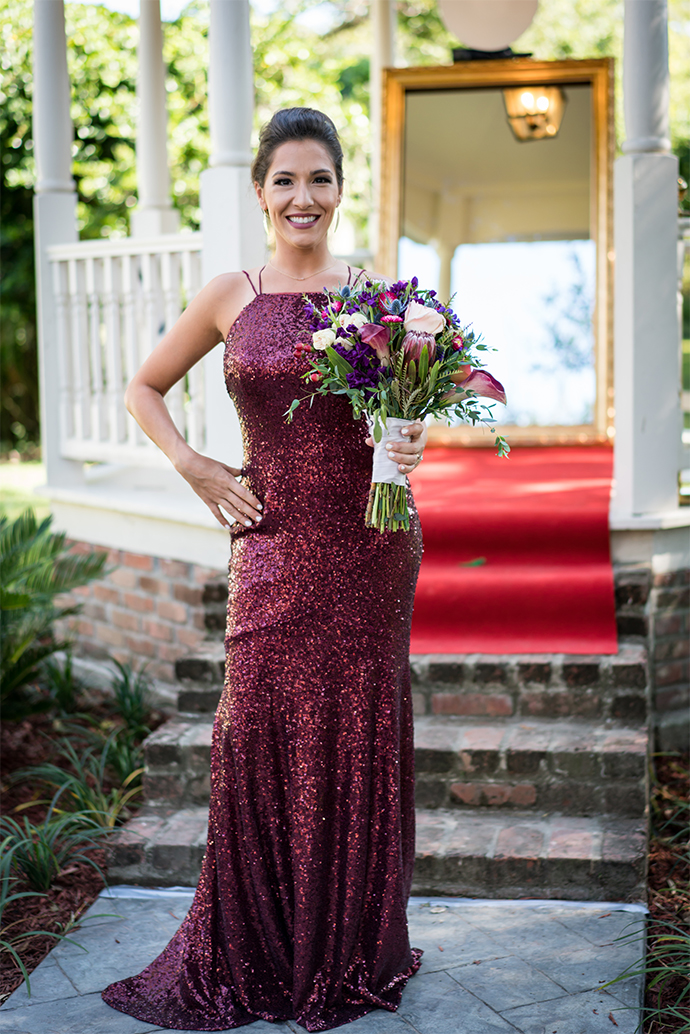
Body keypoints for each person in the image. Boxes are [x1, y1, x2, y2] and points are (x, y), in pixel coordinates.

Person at [102, 107, 427, 1032]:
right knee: (253, 727)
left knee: (359, 736)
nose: (302, 196)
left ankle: (350, 945)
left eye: (319, 178)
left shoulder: (381, 297)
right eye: (285, 180)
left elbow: (408, 414)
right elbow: (143, 387)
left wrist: (410, 441)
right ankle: (261, 945)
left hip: (369, 541)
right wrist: (196, 467)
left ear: (340, 189)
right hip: (271, 539)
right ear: (260, 193)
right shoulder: (229, 295)